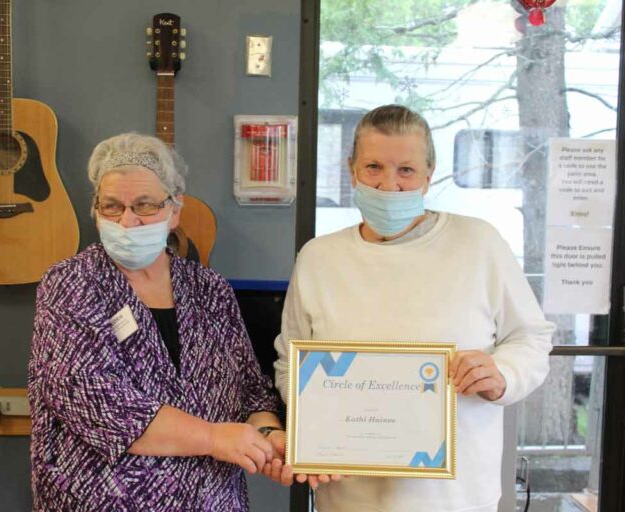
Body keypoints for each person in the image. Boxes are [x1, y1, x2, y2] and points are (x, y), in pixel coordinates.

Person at [271, 105, 555, 511]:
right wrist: (310, 428)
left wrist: (502, 374)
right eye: (373, 167)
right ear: (352, 170)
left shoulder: (479, 245)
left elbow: (532, 337)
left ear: (429, 174)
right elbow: (290, 363)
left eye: (406, 170)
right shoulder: (318, 258)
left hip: (456, 497)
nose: (390, 185)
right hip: (348, 496)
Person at [28, 133, 284, 511]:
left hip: (212, 501)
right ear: (96, 211)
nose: (128, 220)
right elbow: (98, 400)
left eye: (145, 205)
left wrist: (268, 436)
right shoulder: (71, 283)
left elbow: (250, 391)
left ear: (174, 210)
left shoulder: (209, 289)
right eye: (111, 206)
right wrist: (213, 438)